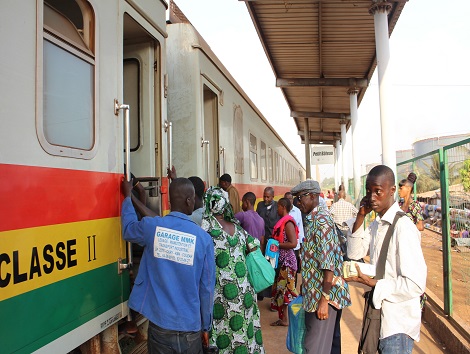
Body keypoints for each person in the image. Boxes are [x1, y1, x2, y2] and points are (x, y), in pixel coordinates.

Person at [121, 177, 216, 354]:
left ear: (169, 200)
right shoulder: (203, 239)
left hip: (160, 325)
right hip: (190, 327)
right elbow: (207, 289)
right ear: (189, 201)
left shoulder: (153, 227)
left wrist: (127, 197)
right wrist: (205, 327)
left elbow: (128, 229)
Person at [345, 165, 427, 354]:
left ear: (392, 191)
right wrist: (361, 215)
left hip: (397, 324)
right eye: (369, 191)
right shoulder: (377, 224)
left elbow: (415, 284)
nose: (372, 197)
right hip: (379, 317)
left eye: (378, 191)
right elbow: (355, 252)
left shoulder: (404, 228)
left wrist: (373, 283)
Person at [201, 187, 265, 354]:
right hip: (245, 291)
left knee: (224, 335)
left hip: (222, 295)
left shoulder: (207, 228)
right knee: (244, 333)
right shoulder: (238, 229)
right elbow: (255, 245)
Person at [291, 180, 351, 354]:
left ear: (313, 196)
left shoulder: (321, 222)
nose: (297, 202)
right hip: (318, 293)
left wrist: (324, 301)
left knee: (314, 347)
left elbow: (328, 266)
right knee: (331, 345)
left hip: (323, 297)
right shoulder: (314, 219)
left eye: (300, 197)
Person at [270, 197, 299, 326]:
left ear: (283, 206)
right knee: (282, 292)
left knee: (290, 292)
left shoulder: (288, 223)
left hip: (288, 263)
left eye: (278, 207)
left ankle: (300, 316)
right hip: (282, 262)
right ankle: (284, 319)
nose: (277, 209)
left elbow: (293, 243)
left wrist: (277, 244)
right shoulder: (283, 222)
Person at [284, 191, 305, 282]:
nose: (289, 201)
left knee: (294, 268)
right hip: (284, 245)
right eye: (286, 199)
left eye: (290, 199)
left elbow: (300, 227)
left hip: (295, 245)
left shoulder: (297, 211)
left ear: (293, 200)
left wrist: (301, 243)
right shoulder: (282, 210)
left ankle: (293, 288)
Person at [256, 186, 280, 252]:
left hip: (273, 238)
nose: (266, 199)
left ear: (273, 197)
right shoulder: (260, 205)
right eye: (264, 196)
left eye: (268, 197)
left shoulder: (277, 206)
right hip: (262, 237)